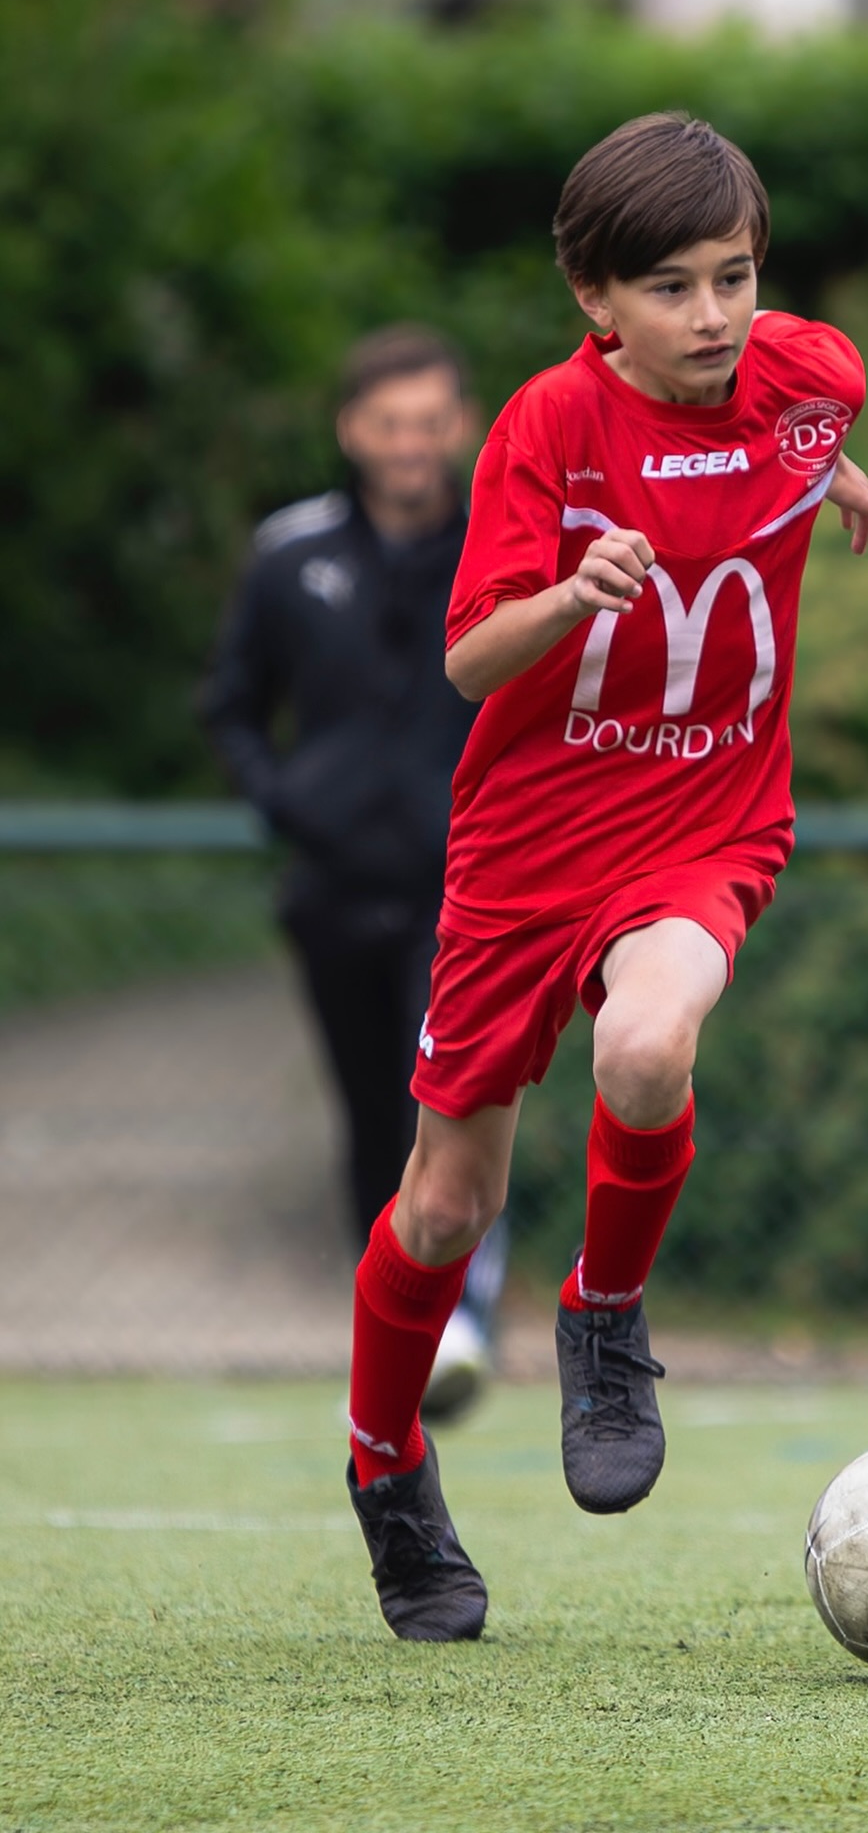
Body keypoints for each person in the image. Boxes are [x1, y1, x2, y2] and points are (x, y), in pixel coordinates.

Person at [341, 112, 868, 1643]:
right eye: (669, 288)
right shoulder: (548, 425)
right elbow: (470, 660)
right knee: (446, 1209)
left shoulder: (811, 374)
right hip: (526, 849)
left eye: (735, 276)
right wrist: (568, 598)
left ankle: (602, 1317)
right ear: (594, 299)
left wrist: (835, 476)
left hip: (707, 821)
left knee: (651, 1044)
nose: (713, 315)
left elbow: (785, 429)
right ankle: (385, 1464)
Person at [201, 324, 507, 1419]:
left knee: (455, 1098)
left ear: (461, 425)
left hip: (468, 889)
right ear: (352, 430)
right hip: (331, 889)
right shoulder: (290, 555)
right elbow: (231, 703)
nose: (411, 444)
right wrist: (287, 801)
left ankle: (465, 1318)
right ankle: (393, 1330)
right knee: (371, 1119)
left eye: (430, 421)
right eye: (390, 423)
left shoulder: (511, 542)